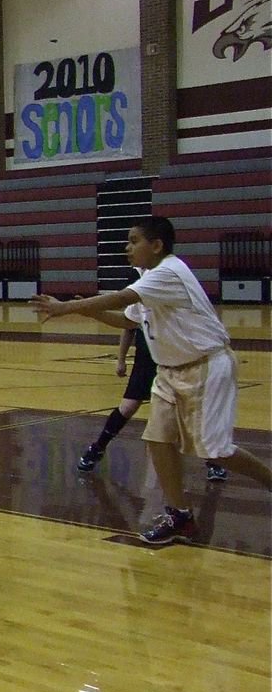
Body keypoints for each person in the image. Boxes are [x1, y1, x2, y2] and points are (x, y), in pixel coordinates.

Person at [31, 216, 271, 544]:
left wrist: (66, 308)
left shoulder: (168, 272)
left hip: (205, 366)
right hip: (169, 371)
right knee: (157, 439)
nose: (126, 247)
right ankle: (180, 516)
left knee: (215, 451)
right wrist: (82, 310)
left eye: (133, 241)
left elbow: (119, 299)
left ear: (156, 245)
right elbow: (125, 319)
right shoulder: (148, 278)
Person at [79, 268, 227, 482]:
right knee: (128, 406)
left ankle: (213, 460)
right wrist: (121, 359)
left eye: (135, 242)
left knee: (190, 410)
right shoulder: (136, 280)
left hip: (174, 357)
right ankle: (97, 447)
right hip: (147, 357)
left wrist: (77, 307)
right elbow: (128, 324)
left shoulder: (168, 277)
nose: (130, 249)